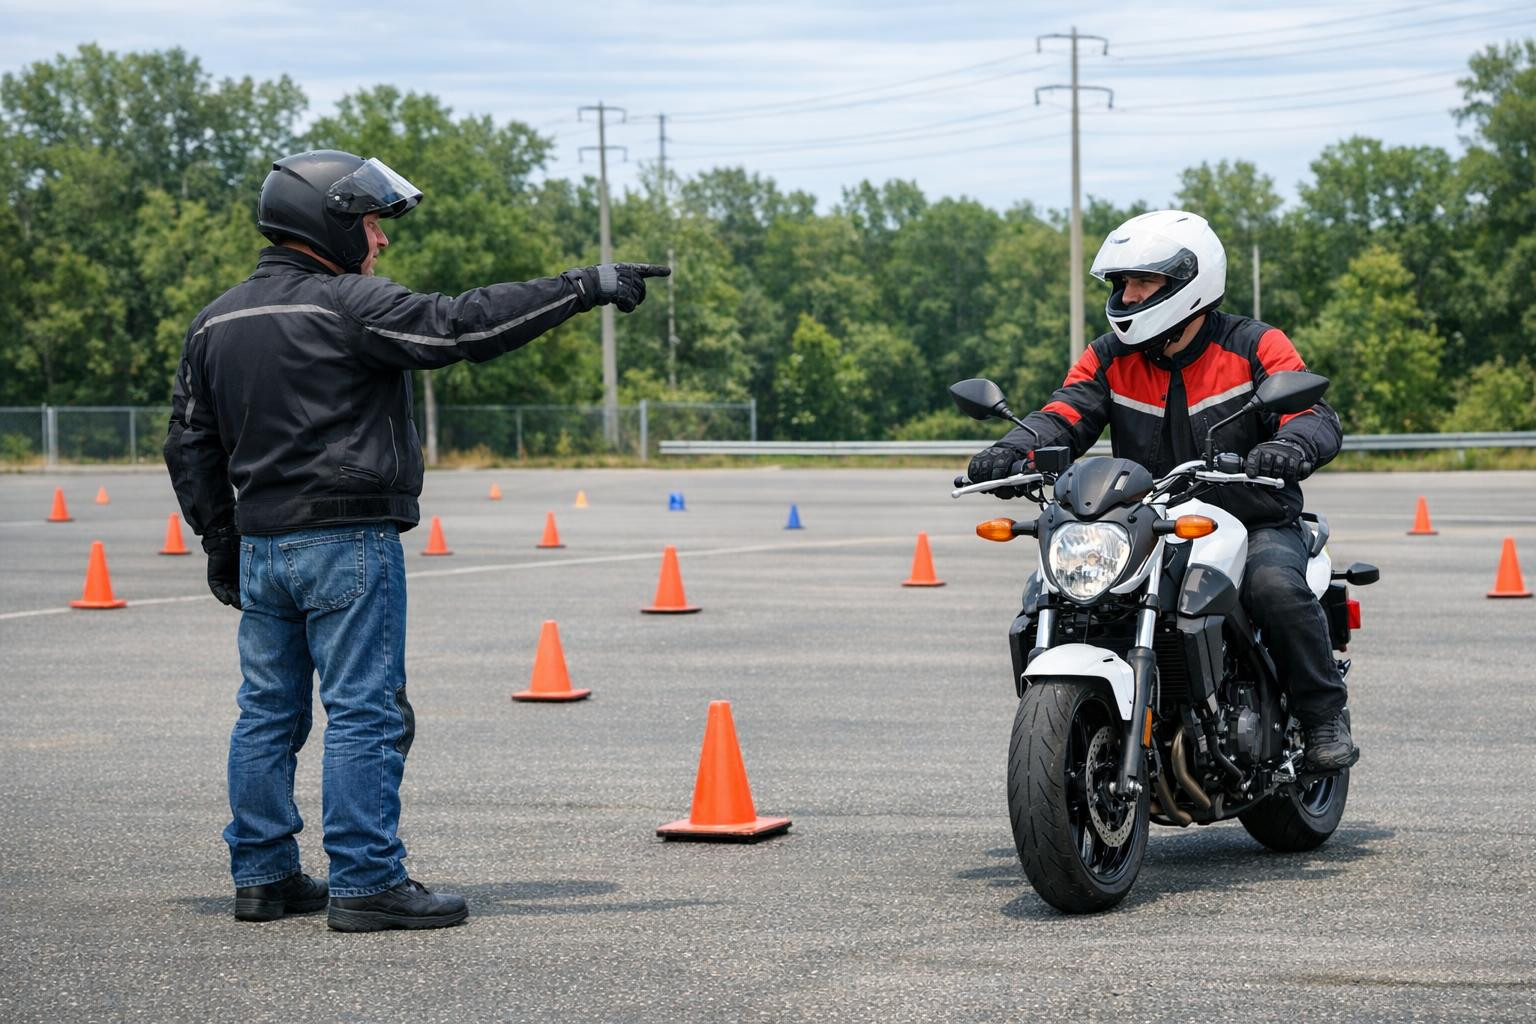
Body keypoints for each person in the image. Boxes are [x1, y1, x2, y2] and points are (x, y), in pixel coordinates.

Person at [164, 149, 668, 932]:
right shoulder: (345, 304)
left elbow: (189, 443)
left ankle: (262, 878)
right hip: (345, 539)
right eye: (370, 222)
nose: (381, 239)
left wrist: (219, 539)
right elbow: (461, 326)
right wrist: (581, 286)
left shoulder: (215, 320)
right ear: (327, 223)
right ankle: (366, 881)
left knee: (266, 714)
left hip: (262, 547)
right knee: (365, 711)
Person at [967, 209, 1359, 772]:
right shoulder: (1110, 356)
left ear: (1187, 285)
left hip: (1252, 516)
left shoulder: (1254, 346)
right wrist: (1013, 450)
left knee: (1274, 586)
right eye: (1122, 283)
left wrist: (1289, 448)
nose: (1127, 295)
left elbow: (1311, 413)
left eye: (1142, 282)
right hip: (1143, 519)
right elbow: (1066, 412)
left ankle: (1323, 717)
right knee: (1048, 596)